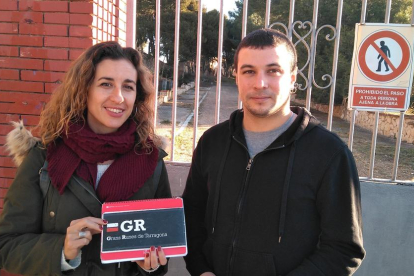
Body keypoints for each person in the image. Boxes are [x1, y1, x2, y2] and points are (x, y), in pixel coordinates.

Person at [182, 29, 365, 276]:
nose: (260, 83)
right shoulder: (212, 142)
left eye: (273, 71)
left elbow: (344, 248)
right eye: (249, 71)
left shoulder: (329, 153)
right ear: (236, 77)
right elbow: (191, 217)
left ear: (291, 78)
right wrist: (201, 270)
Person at [0, 41, 171, 275]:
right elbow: (6, 246)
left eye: (128, 87)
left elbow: (163, 253)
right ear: (84, 89)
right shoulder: (43, 157)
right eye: (106, 84)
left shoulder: (151, 161)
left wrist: (149, 267)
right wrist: (62, 250)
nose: (119, 97)